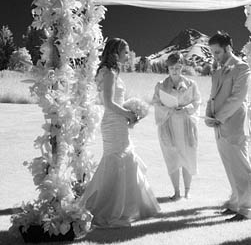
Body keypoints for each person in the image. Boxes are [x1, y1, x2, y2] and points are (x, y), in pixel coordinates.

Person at [79, 38, 160, 227]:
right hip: (113, 122)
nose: (128, 55)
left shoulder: (111, 72)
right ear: (115, 53)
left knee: (122, 160)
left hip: (117, 121)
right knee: (117, 160)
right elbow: (108, 103)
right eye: (125, 51)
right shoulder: (110, 73)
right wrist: (129, 114)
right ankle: (107, 210)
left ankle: (126, 207)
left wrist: (128, 113)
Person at [205, 31, 251, 221]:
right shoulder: (217, 70)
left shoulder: (241, 68)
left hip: (234, 125)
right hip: (218, 126)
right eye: (212, 53)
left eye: (217, 52)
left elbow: (237, 98)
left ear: (227, 48)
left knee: (241, 167)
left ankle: (246, 209)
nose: (214, 56)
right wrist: (209, 115)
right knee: (229, 166)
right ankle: (234, 203)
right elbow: (212, 96)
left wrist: (218, 117)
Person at [152, 52, 201, 200]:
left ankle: (187, 191)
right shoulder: (161, 85)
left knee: (187, 155)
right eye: (172, 67)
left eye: (178, 67)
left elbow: (197, 101)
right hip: (169, 124)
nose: (175, 70)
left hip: (186, 125)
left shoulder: (191, 84)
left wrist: (187, 108)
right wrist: (169, 108)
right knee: (172, 156)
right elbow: (156, 102)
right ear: (168, 68)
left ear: (182, 67)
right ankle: (176, 191)